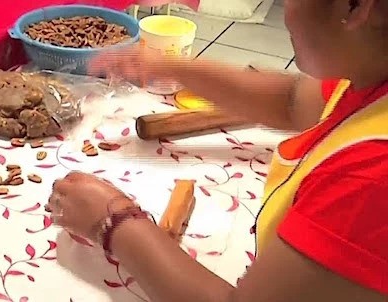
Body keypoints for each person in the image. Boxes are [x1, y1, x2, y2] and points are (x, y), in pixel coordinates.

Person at [46, 0, 388, 301]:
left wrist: (113, 221)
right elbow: (292, 99)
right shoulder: (369, 73)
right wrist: (168, 67)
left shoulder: (372, 178)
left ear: (357, 7)